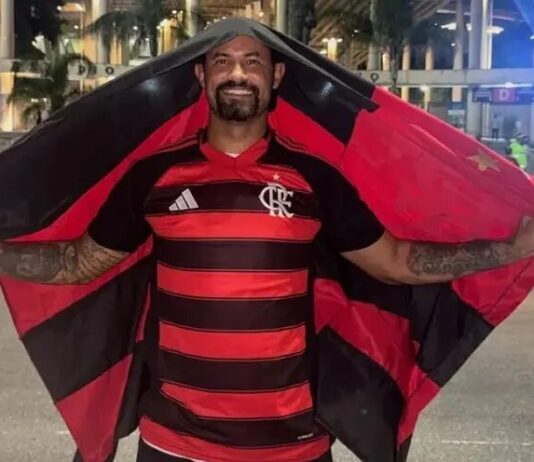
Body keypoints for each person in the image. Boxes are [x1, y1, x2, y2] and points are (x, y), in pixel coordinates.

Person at [0, 35, 533, 462]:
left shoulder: (315, 178)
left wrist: (508, 250)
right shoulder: (153, 177)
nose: (237, 73)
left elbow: (396, 263)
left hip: (292, 443)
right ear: (201, 76)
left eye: (252, 61)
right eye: (223, 61)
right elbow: (77, 263)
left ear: (275, 77)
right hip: (175, 442)